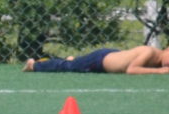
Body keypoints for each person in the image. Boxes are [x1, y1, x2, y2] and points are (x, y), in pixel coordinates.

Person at [26, 44, 169, 73]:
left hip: (113, 56)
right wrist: (161, 71)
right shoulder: (150, 52)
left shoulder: (157, 61)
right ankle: (34, 65)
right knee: (69, 67)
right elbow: (132, 70)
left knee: (75, 63)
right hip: (100, 60)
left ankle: (72, 59)